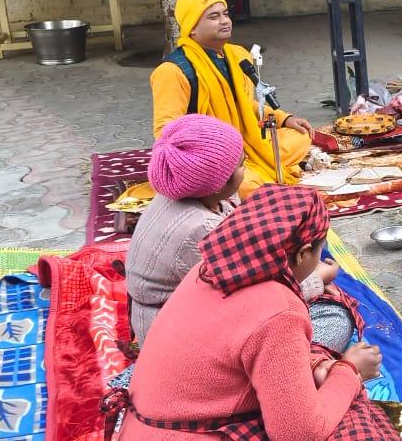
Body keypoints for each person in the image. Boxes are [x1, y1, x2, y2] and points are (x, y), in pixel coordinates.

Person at [115, 185, 398, 439]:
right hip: (182, 430)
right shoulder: (279, 311)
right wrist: (350, 372)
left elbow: (241, 342)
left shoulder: (206, 269)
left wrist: (313, 365)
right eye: (319, 252)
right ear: (303, 253)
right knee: (355, 417)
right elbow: (299, 434)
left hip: (142, 424)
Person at [126, 114, 340, 344]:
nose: (246, 169)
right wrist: (316, 278)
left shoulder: (188, 193)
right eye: (241, 165)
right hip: (178, 337)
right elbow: (250, 302)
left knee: (308, 233)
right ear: (218, 183)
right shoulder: (201, 230)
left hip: (189, 313)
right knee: (335, 322)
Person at [149, 0, 314, 198]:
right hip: (209, 156)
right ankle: (253, 178)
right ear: (192, 29)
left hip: (246, 144)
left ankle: (257, 170)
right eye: (213, 17)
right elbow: (165, 131)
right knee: (247, 186)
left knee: (300, 135)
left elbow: (245, 104)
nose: (224, 21)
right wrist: (217, 148)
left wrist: (285, 119)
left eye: (225, 14)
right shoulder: (173, 71)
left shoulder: (238, 56)